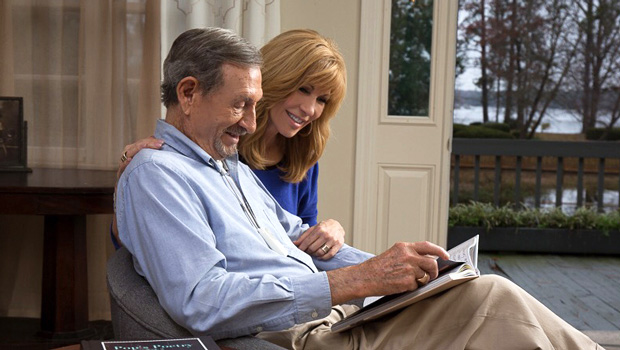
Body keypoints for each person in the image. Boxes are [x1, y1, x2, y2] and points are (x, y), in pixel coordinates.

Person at [115, 27, 603, 349]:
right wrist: (359, 281)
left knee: (486, 296)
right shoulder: (158, 174)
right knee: (493, 305)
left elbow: (297, 238)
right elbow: (202, 302)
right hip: (310, 334)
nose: (249, 121)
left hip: (339, 314)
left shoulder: (228, 166)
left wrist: (412, 272)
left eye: (255, 105)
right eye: (240, 104)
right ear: (188, 92)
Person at [114, 29, 348, 259]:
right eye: (303, 89)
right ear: (273, 79)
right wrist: (125, 183)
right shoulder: (216, 142)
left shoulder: (304, 160)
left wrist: (332, 231)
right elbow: (139, 246)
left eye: (322, 100)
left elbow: (306, 242)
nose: (309, 109)